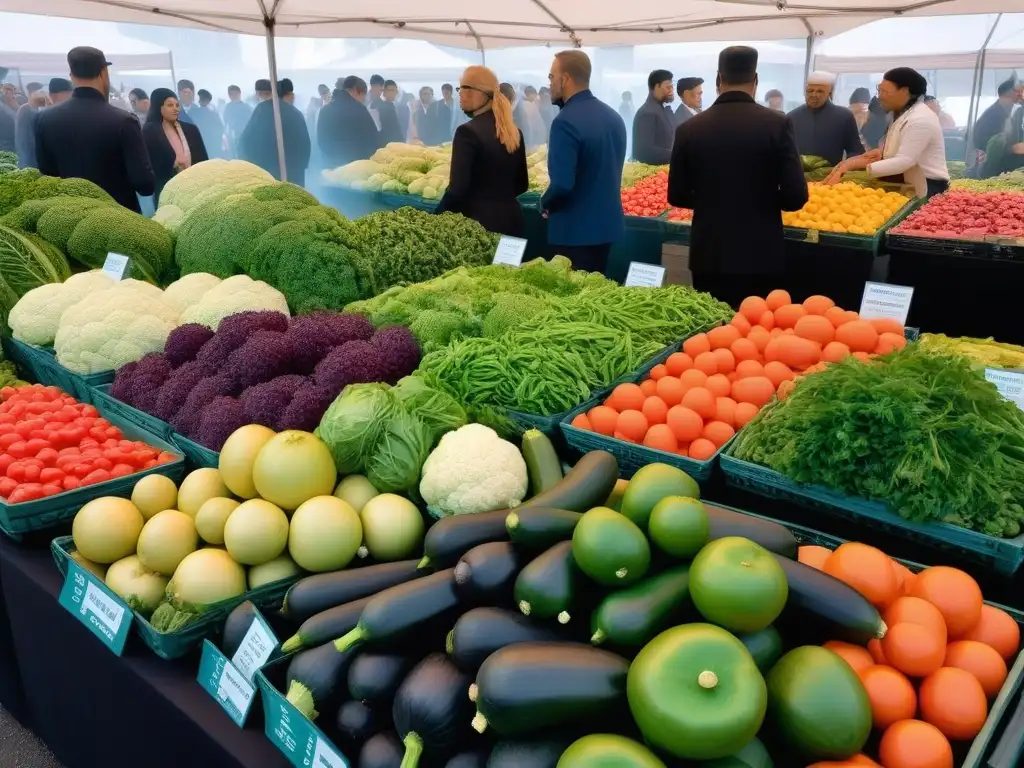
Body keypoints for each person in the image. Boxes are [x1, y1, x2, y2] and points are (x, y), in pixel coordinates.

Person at [668, 46, 807, 307]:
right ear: (756, 80)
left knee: (712, 334)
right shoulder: (777, 124)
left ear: (718, 79)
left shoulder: (689, 128)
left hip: (709, 253)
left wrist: (712, 200)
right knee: (754, 333)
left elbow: (676, 195)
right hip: (760, 252)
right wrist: (761, 199)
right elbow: (795, 196)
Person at [35, 47, 155, 211]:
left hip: (71, 222)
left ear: (71, 76)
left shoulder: (44, 119)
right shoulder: (124, 121)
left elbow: (48, 177)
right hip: (121, 224)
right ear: (104, 72)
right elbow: (145, 185)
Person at [541, 50, 626, 274]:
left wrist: (545, 202)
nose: (549, 83)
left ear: (565, 79)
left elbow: (561, 184)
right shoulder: (613, 117)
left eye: (551, 77)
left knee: (572, 303)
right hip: (606, 229)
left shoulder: (564, 122)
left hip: (574, 233)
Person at [825, 67, 949, 199]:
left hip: (927, 188)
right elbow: (902, 147)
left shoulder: (920, 119)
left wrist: (854, 166)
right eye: (879, 90)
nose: (880, 97)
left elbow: (904, 161)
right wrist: (882, 152)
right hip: (909, 182)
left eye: (885, 91)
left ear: (904, 91)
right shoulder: (902, 114)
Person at [435, 66, 528, 237]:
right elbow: (522, 185)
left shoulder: (466, 132)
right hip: (514, 223)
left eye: (463, 88)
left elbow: (457, 189)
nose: (460, 95)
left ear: (480, 93)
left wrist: (435, 217)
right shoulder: (515, 132)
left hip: (481, 229)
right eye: (459, 89)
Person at [141, 87, 208, 205]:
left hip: (195, 189)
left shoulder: (191, 129)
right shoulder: (149, 131)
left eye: (177, 105)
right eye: (170, 105)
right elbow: (149, 165)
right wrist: (174, 164)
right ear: (159, 107)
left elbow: (204, 160)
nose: (175, 109)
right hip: (167, 193)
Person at [240, 78, 310, 186]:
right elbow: (305, 143)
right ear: (289, 94)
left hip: (266, 170)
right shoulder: (295, 113)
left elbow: (246, 140)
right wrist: (302, 166)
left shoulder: (261, 109)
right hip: (294, 171)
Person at [788, 71, 863, 165]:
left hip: (831, 175)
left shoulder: (844, 116)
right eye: (810, 91)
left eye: (820, 91)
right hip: (798, 176)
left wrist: (845, 168)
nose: (814, 94)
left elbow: (855, 150)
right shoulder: (792, 117)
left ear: (830, 93)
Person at [318, 76, 380, 168]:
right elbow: (372, 140)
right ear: (355, 90)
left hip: (332, 168)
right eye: (363, 95)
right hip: (357, 168)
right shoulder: (360, 110)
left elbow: (321, 142)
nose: (363, 100)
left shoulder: (325, 111)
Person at [15, 78, 72, 169]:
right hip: (32, 168)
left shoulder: (50, 111)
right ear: (54, 95)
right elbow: (26, 145)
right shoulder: (28, 110)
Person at [633, 69, 676, 165]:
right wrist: (677, 153)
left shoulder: (661, 109)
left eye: (672, 87)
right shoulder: (648, 113)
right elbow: (645, 151)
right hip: (653, 175)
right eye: (668, 88)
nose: (671, 91)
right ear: (656, 87)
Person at [973, 78, 1019, 158]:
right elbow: (987, 145)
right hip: (992, 162)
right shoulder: (992, 116)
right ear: (1008, 94)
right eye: (1017, 92)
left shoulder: (1009, 113)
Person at [192, 88, 225, 158]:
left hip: (201, 145)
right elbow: (220, 130)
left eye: (202, 99)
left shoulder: (193, 113)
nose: (200, 101)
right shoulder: (213, 115)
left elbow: (219, 130)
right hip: (209, 146)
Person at [223, 85, 253, 157]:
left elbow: (251, 121)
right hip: (232, 136)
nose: (234, 96)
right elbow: (225, 121)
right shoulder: (228, 107)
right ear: (229, 95)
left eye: (235, 93)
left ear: (239, 94)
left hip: (245, 136)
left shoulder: (246, 107)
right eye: (231, 94)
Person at [371, 78, 403, 145]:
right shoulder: (382, 107)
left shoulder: (397, 106)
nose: (391, 93)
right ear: (384, 92)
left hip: (397, 142)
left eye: (393, 90)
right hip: (389, 143)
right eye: (389, 90)